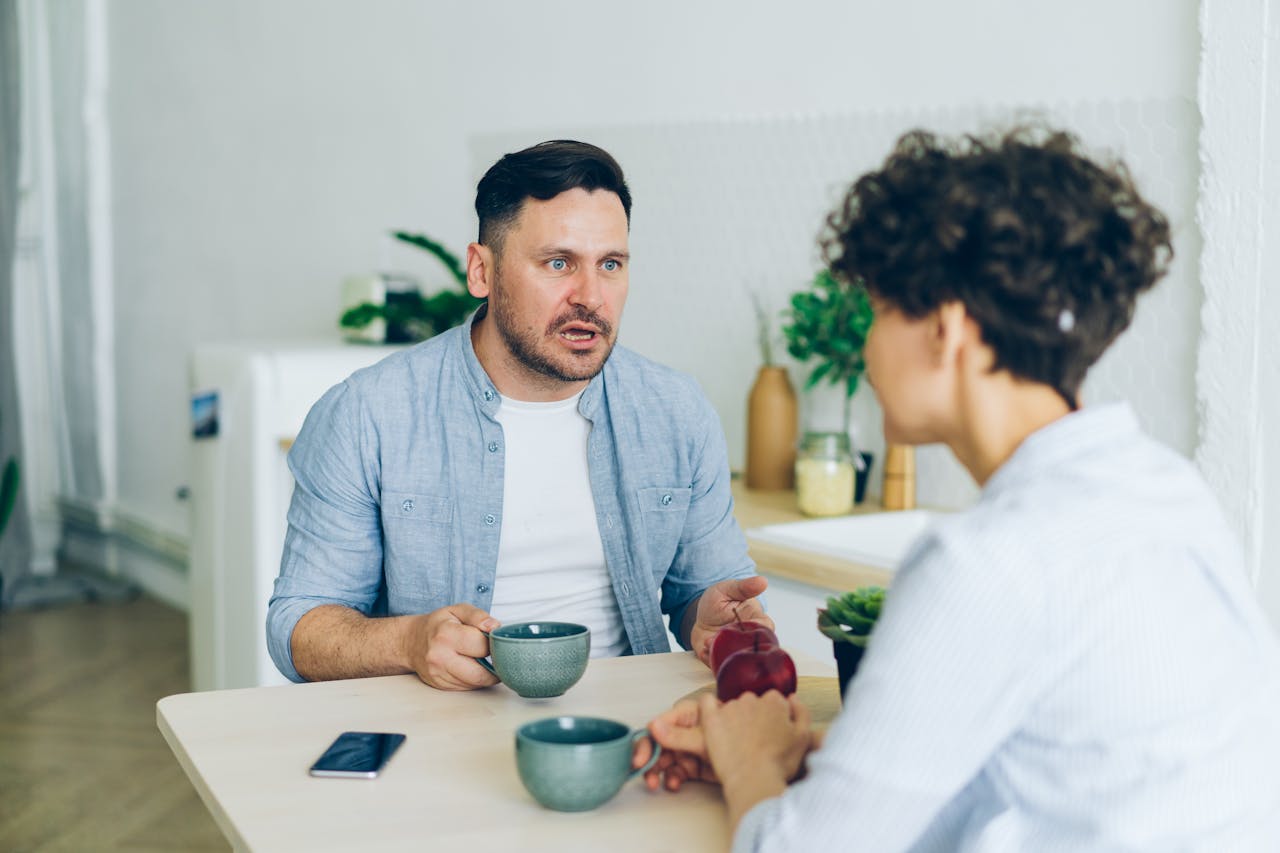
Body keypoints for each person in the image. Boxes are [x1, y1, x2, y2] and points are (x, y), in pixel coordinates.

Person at [638, 126, 1280, 850]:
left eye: (878, 310)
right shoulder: (1166, 488)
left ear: (944, 330)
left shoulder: (988, 561)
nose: (867, 345)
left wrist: (751, 761)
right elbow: (1050, 776)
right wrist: (813, 765)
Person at [267, 140, 770, 689]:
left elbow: (705, 592)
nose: (591, 297)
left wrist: (713, 620)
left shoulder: (676, 411)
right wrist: (409, 643)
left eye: (610, 264)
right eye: (558, 263)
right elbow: (299, 629)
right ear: (482, 272)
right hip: (440, 726)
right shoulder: (367, 415)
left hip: (628, 723)